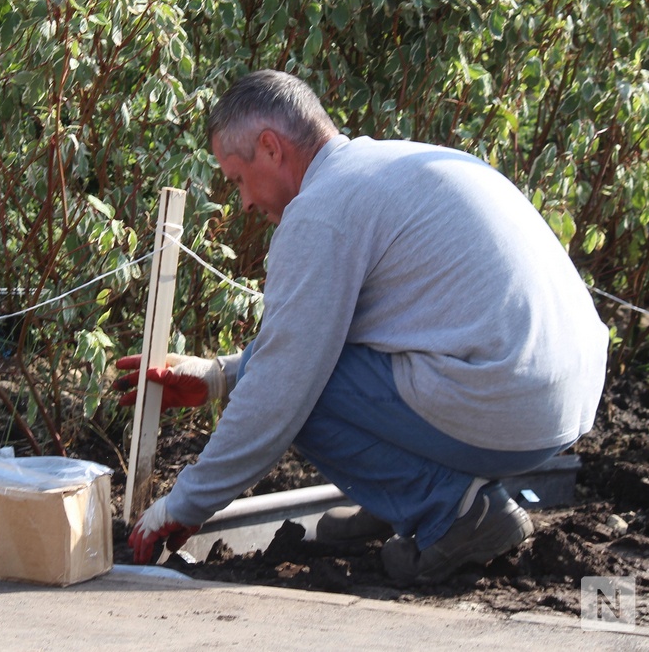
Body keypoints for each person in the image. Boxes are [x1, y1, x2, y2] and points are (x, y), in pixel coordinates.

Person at [114, 69, 608, 584]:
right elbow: (315, 338)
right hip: (559, 396)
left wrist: (184, 505)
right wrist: (218, 376)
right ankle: (405, 499)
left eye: (237, 178)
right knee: (308, 369)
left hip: (509, 403)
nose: (243, 202)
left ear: (270, 147)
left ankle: (456, 515)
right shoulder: (382, 168)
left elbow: (283, 385)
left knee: (302, 392)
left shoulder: (320, 212)